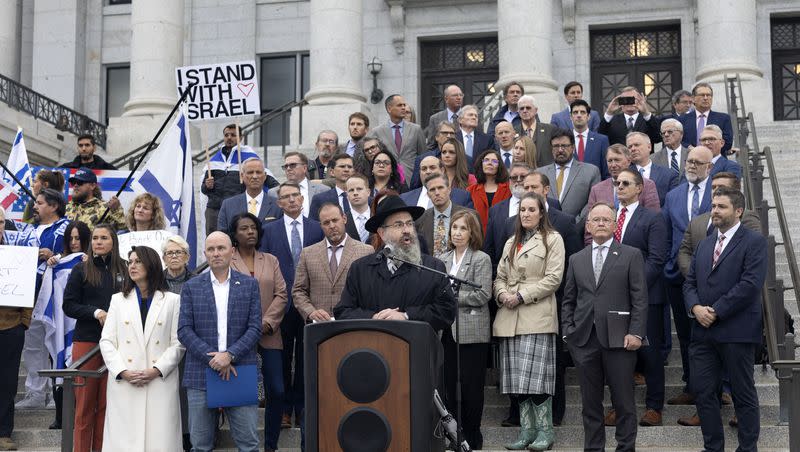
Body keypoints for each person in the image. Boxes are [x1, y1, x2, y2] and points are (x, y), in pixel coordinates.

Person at [684, 186, 767, 452]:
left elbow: (750, 284)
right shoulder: (706, 242)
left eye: (721, 206)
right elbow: (689, 283)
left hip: (737, 330)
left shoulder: (754, 241)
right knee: (704, 393)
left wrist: (716, 310)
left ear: (738, 211)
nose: (715, 211)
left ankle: (747, 448)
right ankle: (713, 448)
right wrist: (696, 307)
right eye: (714, 206)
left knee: (742, 393)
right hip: (702, 333)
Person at [562, 202, 648, 452]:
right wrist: (568, 330)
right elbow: (569, 299)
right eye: (595, 219)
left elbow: (640, 298)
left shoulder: (631, 255)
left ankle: (625, 447)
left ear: (614, 224)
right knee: (590, 403)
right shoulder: (576, 259)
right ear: (587, 225)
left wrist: (636, 332)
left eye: (605, 219)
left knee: (623, 401)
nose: (600, 223)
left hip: (620, 339)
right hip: (585, 340)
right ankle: (594, 448)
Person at [178, 231, 262, 452]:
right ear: (205, 253)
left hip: (239, 370)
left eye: (221, 248)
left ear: (232, 251)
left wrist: (229, 355)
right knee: (200, 445)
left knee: (249, 444)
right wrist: (214, 358)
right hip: (200, 373)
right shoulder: (191, 287)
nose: (216, 253)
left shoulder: (249, 285)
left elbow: (255, 328)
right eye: (211, 249)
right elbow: (184, 330)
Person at [493, 192, 565, 451]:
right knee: (517, 382)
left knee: (537, 381)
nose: (526, 214)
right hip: (509, 317)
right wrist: (502, 293)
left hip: (536, 315)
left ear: (541, 213)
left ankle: (545, 433)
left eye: (531, 210)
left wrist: (522, 295)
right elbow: (499, 275)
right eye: (522, 209)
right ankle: (527, 432)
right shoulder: (511, 241)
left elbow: (554, 278)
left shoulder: (553, 239)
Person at [99, 246, 185, 452]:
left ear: (151, 264)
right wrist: (123, 371)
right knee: (124, 441)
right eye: (130, 262)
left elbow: (178, 343)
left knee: (160, 440)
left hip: (158, 381)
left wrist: (156, 370)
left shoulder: (172, 300)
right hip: (127, 381)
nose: (132, 266)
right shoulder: (117, 300)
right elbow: (107, 341)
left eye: (138, 261)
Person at [602, 169, 669, 428]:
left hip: (646, 296)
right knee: (617, 356)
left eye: (625, 183)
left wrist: (634, 287)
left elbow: (656, 259)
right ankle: (619, 407)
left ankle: (654, 407)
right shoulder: (607, 217)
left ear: (640, 188)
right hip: (612, 298)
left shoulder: (652, 218)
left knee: (650, 354)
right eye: (617, 183)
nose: (619, 187)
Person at [334, 195, 456, 331]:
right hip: (373, 347)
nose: (406, 230)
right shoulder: (361, 269)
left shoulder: (433, 267)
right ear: (382, 233)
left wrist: (406, 316)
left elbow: (446, 311)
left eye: (409, 224)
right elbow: (343, 312)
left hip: (417, 348)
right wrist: (373, 318)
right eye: (398, 225)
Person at [260, 182, 324, 430]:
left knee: (307, 361)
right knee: (283, 360)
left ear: (302, 198)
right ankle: (285, 410)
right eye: (285, 197)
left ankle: (303, 408)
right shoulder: (269, 230)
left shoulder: (317, 229)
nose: (291, 200)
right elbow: (266, 266)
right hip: (281, 306)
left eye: (295, 195)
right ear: (279, 203)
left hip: (310, 304)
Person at [62, 224, 128, 452]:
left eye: (104, 238)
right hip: (87, 342)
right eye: (95, 238)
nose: (98, 242)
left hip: (119, 344)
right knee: (84, 406)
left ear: (113, 242)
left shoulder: (126, 268)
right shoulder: (81, 269)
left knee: (106, 406)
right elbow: (68, 305)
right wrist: (96, 312)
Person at [228, 213, 287, 452]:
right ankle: (246, 445)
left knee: (277, 389)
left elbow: (282, 294)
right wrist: (249, 328)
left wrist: (266, 322)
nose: (250, 232)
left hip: (268, 333)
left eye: (253, 227)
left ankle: (270, 446)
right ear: (235, 234)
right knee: (244, 393)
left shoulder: (270, 260)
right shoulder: (227, 259)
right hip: (239, 337)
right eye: (244, 228)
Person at [662, 146, 714, 407]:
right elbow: (666, 231)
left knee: (712, 332)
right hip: (677, 275)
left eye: (698, 162)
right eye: (689, 161)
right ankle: (690, 385)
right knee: (684, 333)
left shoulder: (719, 194)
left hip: (712, 275)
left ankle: (720, 386)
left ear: (710, 167)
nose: (692, 165)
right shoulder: (673, 195)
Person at [435, 209, 492, 450]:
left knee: (471, 387)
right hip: (447, 331)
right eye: (454, 227)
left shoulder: (481, 258)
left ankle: (472, 435)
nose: (457, 233)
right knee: (448, 384)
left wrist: (451, 298)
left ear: (472, 232)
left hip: (471, 332)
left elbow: (482, 293)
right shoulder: (443, 259)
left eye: (463, 228)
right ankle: (453, 435)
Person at [16, 188, 70, 412]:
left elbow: (80, 254)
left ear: (54, 206)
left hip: (55, 296)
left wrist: (55, 257)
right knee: (31, 345)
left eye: (39, 203)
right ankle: (35, 392)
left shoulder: (67, 228)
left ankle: (56, 392)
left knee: (54, 342)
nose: (35, 207)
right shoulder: (29, 231)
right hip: (29, 295)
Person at [45, 220, 91, 431]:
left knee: (80, 368)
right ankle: (60, 416)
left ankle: (80, 415)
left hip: (84, 325)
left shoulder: (92, 262)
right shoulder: (59, 262)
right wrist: (53, 264)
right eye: (70, 238)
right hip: (61, 326)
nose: (74, 243)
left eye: (78, 238)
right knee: (59, 363)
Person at [294, 202, 373, 323]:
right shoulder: (308, 253)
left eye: (335, 220)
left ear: (344, 219)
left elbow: (370, 291)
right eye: (326, 223)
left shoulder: (365, 251)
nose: (331, 226)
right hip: (319, 326)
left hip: (354, 324)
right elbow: (298, 290)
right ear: (320, 225)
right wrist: (311, 312)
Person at [0, 207, 38, 452]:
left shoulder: (17, 253)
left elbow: (28, 287)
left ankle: (3, 433)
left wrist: (24, 321)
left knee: (7, 382)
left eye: (0, 221)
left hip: (11, 325)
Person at [201, 124, 278, 235]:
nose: (229, 137)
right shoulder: (214, 160)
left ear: (241, 138)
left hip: (236, 207)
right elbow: (204, 189)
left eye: (233, 135)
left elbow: (267, 179)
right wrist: (207, 186)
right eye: (226, 135)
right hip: (214, 209)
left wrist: (281, 193)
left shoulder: (248, 157)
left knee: (236, 239)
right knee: (214, 240)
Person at [582, 143, 661, 244]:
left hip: (635, 249)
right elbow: (589, 228)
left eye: (617, 160)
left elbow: (654, 221)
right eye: (610, 161)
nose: (613, 165)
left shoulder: (646, 185)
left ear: (629, 161)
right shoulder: (597, 189)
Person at [160, 234, 194, 451]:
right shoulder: (154, 281)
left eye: (178, 252)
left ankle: (189, 436)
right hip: (162, 345)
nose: (174, 256)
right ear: (163, 258)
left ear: (187, 257)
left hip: (191, 346)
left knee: (187, 393)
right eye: (169, 253)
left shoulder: (197, 281)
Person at [536, 129, 601, 222]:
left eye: (564, 146)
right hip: (545, 228)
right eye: (556, 146)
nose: (560, 150)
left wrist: (576, 223)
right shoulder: (540, 173)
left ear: (573, 147)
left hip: (577, 228)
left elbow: (593, 202)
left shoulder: (591, 171)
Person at [414, 174, 475, 256]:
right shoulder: (420, 219)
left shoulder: (469, 216)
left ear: (449, 189)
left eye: (440, 188)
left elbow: (476, 246)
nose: (437, 193)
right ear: (428, 195)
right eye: (432, 190)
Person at [367, 94, 426, 178]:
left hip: (411, 178)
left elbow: (423, 155)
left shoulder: (416, 129)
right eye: (399, 105)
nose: (403, 108)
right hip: (388, 179)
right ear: (389, 108)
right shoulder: (377, 132)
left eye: (404, 105)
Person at [218, 157, 282, 232]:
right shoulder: (228, 205)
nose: (254, 176)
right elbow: (223, 235)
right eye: (250, 172)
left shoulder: (278, 205)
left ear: (265, 176)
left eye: (258, 172)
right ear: (242, 176)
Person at [267, 152, 329, 218]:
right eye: (286, 166)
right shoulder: (273, 193)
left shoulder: (323, 190)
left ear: (305, 168)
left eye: (293, 165)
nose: (288, 169)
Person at [678, 82, 733, 155]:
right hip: (690, 160)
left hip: (715, 161)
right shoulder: (682, 119)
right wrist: (689, 147)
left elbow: (728, 143)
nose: (705, 98)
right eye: (702, 95)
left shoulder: (723, 118)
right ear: (693, 99)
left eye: (708, 95)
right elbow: (678, 140)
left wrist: (707, 151)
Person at [627, 132, 679, 206]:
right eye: (630, 147)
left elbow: (672, 204)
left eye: (637, 145)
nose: (633, 149)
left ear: (649, 147)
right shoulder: (623, 174)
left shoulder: (669, 175)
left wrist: (656, 216)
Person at [467, 149, 511, 233]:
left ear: (499, 166)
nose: (490, 163)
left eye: (494, 161)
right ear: (481, 164)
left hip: (502, 235)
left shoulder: (508, 189)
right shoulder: (471, 190)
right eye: (486, 160)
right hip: (478, 236)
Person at [570, 99, 610, 180]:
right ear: (571, 117)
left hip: (595, 188)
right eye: (575, 112)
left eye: (582, 112)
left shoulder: (601, 140)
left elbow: (606, 171)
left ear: (588, 117)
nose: (579, 115)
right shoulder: (565, 140)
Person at [309, 153, 355, 221]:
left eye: (350, 167)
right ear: (332, 172)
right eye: (342, 166)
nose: (346, 170)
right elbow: (313, 225)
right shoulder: (320, 199)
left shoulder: (365, 198)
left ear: (354, 171)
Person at [516, 95, 555, 166]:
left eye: (528, 108)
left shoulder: (549, 130)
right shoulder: (513, 131)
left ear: (536, 110)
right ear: (518, 112)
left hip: (545, 173)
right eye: (522, 108)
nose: (525, 111)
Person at [653, 118, 689, 183]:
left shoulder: (691, 155)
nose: (666, 135)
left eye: (670, 132)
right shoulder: (653, 159)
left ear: (681, 134)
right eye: (663, 133)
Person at [345, 174, 373, 243]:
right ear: (347, 195)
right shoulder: (342, 220)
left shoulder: (379, 217)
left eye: (359, 189)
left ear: (368, 192)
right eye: (351, 190)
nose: (355, 193)